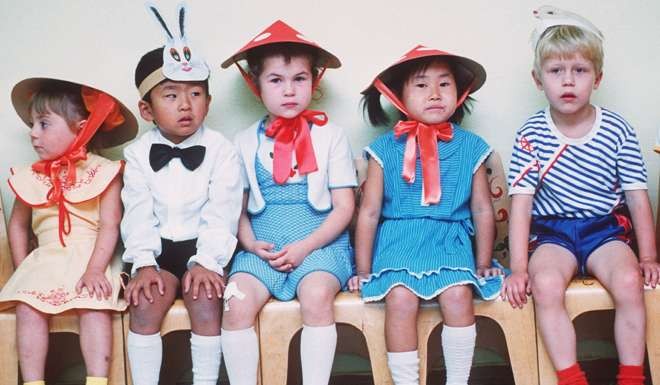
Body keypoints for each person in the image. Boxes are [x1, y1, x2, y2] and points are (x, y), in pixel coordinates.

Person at [502, 6, 659, 385]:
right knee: (545, 285)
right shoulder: (531, 133)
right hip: (553, 233)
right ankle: (572, 377)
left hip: (605, 230)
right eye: (556, 71)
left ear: (597, 77)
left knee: (627, 282)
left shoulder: (617, 129)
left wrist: (649, 255)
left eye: (580, 70)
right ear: (539, 80)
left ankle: (632, 376)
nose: (568, 81)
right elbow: (521, 205)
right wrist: (519, 267)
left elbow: (638, 197)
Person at [351, 45, 503, 385]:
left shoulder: (471, 147)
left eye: (444, 84)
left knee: (458, 294)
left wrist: (484, 261)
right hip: (398, 241)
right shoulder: (383, 150)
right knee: (401, 299)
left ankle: (458, 380)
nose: (434, 94)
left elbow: (481, 208)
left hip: (450, 239)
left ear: (459, 93)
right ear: (399, 96)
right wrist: (362, 270)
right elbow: (369, 212)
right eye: (421, 85)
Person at [219, 20, 357, 385]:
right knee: (235, 303)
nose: (290, 90)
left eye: (299, 78)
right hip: (262, 246)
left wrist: (304, 247)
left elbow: (345, 207)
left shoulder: (331, 136)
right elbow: (235, 207)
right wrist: (249, 244)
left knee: (315, 296)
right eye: (276, 80)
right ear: (256, 85)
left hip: (319, 245)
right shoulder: (244, 141)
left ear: (314, 81)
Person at [120, 4, 242, 385]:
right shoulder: (137, 154)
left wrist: (207, 261)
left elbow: (223, 210)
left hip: (204, 247)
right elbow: (136, 211)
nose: (186, 104)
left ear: (209, 101)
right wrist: (142, 263)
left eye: (196, 93)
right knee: (144, 302)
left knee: (206, 300)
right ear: (147, 109)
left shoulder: (222, 149)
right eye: (171, 95)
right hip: (154, 249)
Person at [0, 77, 138, 385]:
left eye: (44, 124)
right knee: (28, 308)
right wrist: (25, 267)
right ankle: (34, 381)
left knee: (93, 307)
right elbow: (18, 225)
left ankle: (97, 380)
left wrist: (95, 270)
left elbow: (109, 225)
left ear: (82, 127)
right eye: (32, 125)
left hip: (91, 257)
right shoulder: (30, 176)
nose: (33, 134)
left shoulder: (103, 171)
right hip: (45, 258)